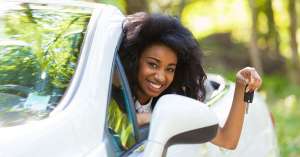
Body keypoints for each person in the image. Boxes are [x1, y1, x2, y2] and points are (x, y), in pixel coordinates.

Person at [119, 12, 262, 149]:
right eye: (153, 64)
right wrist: (145, 118)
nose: (160, 77)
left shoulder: (173, 101)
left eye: (170, 69)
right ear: (135, 60)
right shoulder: (110, 96)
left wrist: (241, 85)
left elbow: (227, 140)